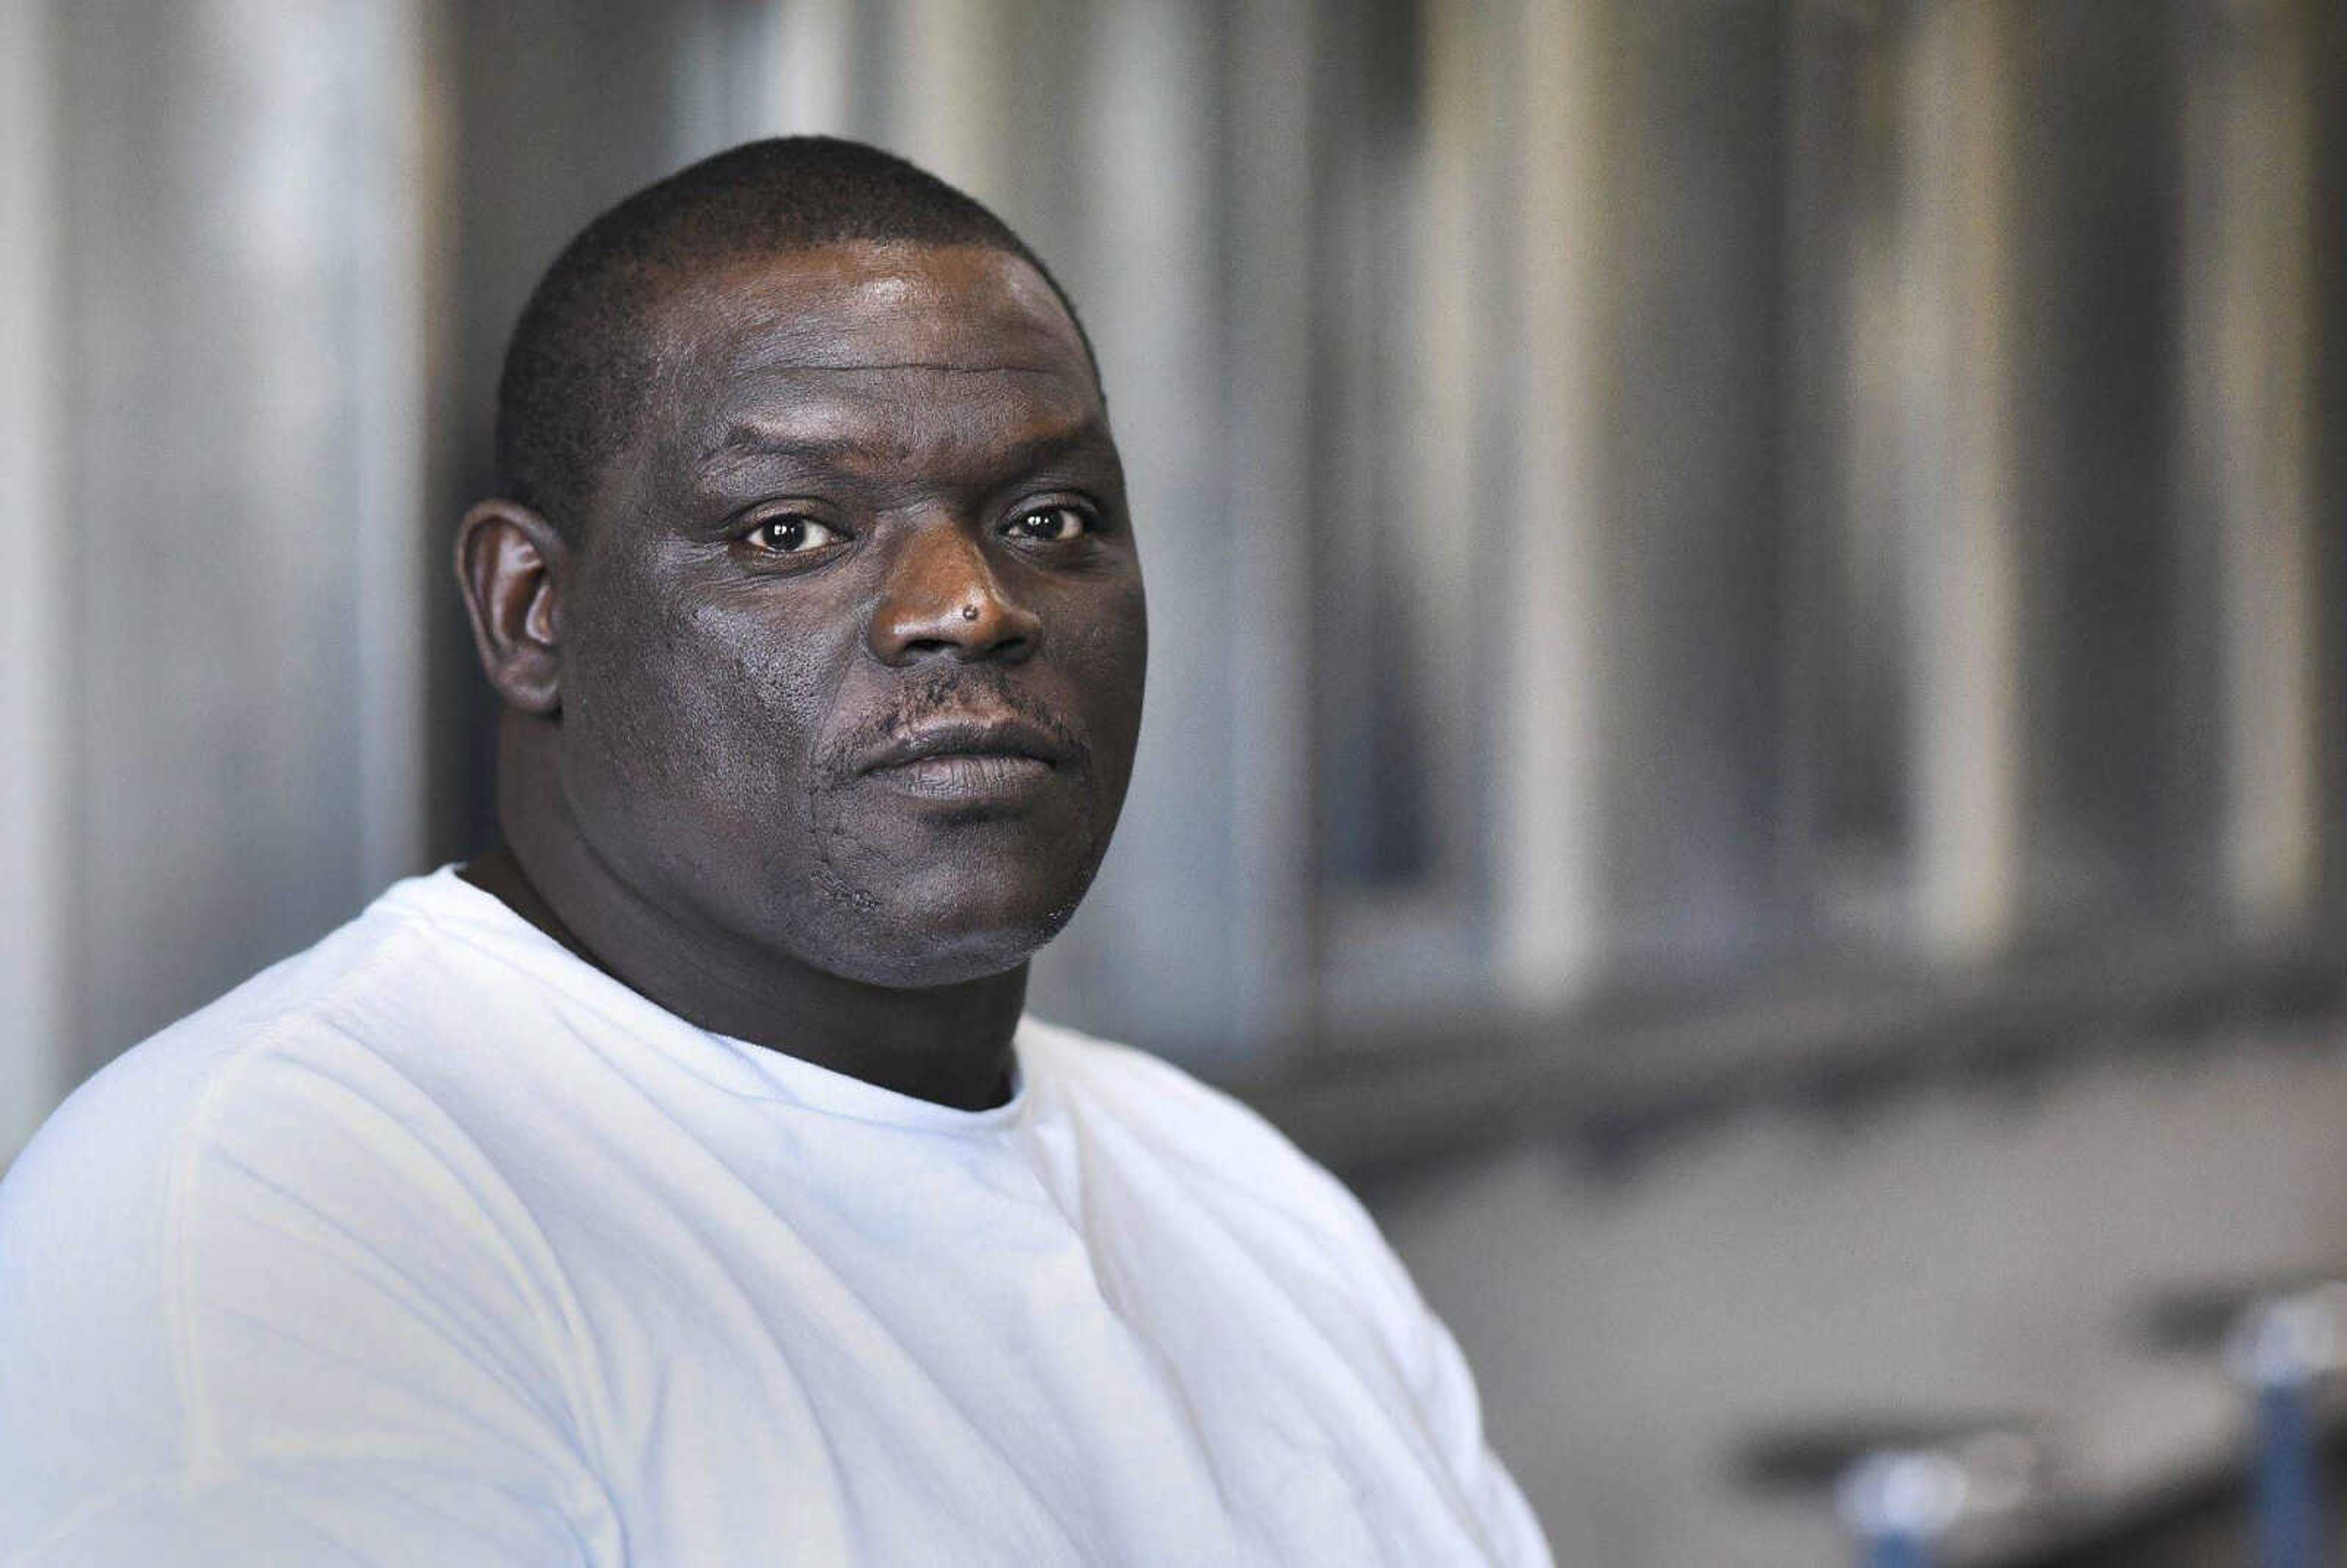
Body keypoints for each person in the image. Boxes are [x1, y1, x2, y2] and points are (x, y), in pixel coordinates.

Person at [0, 137, 1549, 1566]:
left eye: (1056, 517)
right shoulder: (286, 1205)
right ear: (533, 612)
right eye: (791, 530)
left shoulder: (1245, 1198)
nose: (971, 604)